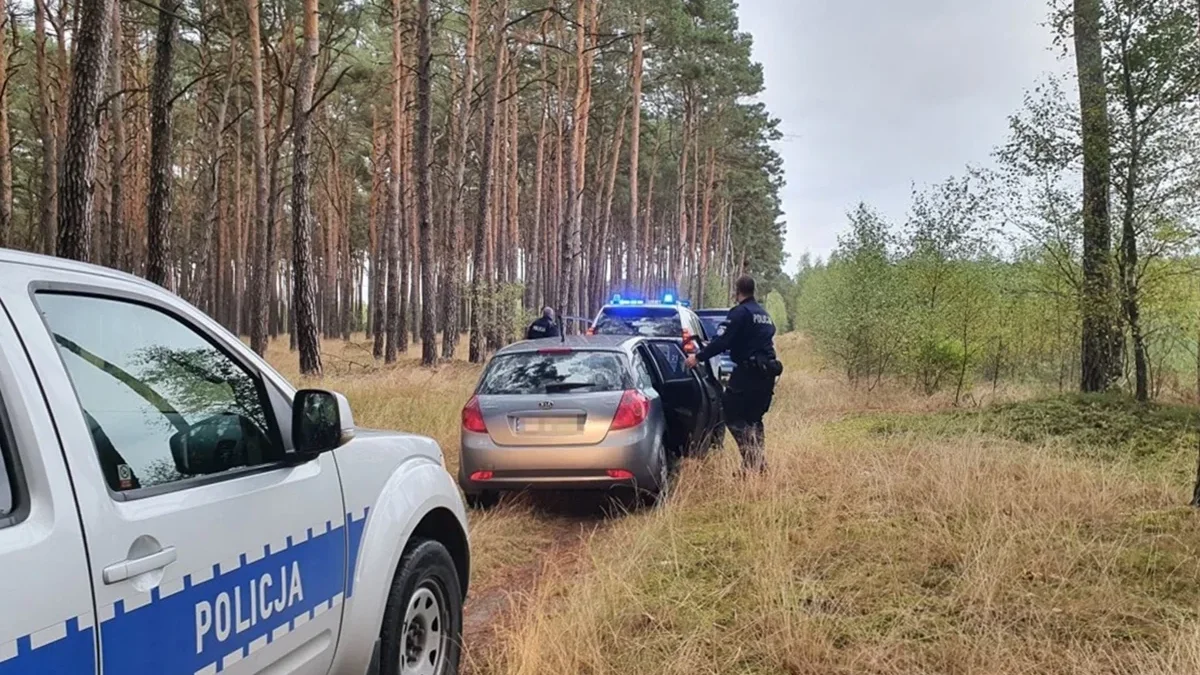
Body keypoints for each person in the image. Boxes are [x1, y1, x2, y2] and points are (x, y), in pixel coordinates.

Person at [685, 275, 781, 473]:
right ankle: (753, 466)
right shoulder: (764, 314)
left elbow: (722, 341)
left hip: (748, 374)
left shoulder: (740, 313)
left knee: (732, 414)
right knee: (754, 419)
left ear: (737, 292)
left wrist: (698, 357)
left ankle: (755, 462)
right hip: (766, 374)